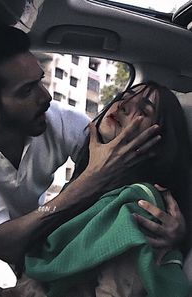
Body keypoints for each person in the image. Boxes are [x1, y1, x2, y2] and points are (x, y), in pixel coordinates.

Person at [0, 25, 185, 284]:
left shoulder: (61, 122)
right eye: (26, 90)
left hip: (31, 229)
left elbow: (116, 162)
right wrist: (92, 179)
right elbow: (7, 243)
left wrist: (177, 231)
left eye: (40, 81)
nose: (46, 97)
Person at [24, 82, 192, 297]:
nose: (121, 106)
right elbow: (41, 223)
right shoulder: (87, 185)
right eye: (124, 97)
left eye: (143, 110)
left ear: (156, 143)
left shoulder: (139, 206)